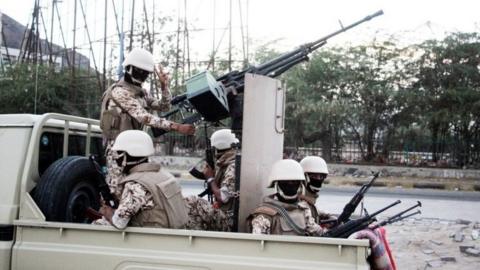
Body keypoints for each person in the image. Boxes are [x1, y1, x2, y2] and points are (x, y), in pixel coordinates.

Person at [100, 48, 195, 198]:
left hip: (135, 150)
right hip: (117, 151)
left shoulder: (141, 92)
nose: (143, 76)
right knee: (118, 194)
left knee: (138, 191)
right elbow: (144, 117)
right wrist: (177, 127)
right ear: (129, 68)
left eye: (146, 73)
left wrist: (164, 87)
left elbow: (163, 105)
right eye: (140, 71)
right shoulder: (120, 92)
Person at [93, 130, 189, 229]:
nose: (116, 159)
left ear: (128, 155)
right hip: (174, 233)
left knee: (99, 224)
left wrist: (107, 212)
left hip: (152, 238)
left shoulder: (135, 184)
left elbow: (119, 222)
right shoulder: (164, 174)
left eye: (119, 154)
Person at [247, 159, 328, 236]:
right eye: (286, 182)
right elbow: (258, 245)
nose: (291, 184)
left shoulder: (304, 210)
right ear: (277, 183)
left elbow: (317, 232)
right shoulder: (264, 216)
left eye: (295, 181)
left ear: (300, 183)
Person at [202, 129, 239, 230]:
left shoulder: (232, 166)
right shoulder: (227, 162)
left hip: (228, 219)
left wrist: (210, 179)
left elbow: (223, 197)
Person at [299, 156, 335, 224]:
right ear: (304, 177)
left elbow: (312, 209)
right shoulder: (297, 199)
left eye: (321, 176)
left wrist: (326, 215)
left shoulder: (308, 197)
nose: (318, 179)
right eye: (314, 176)